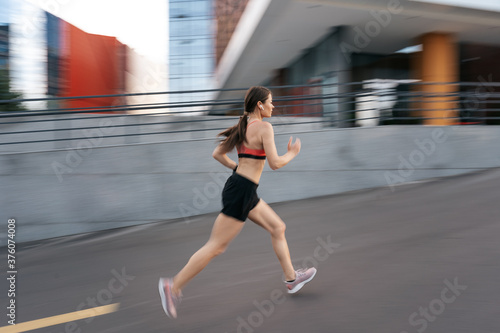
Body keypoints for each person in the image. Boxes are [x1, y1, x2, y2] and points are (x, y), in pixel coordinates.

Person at [159, 86, 317, 318]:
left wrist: (238, 168)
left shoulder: (243, 127)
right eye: (270, 102)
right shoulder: (264, 127)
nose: (274, 106)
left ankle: (291, 279)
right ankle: (172, 287)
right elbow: (274, 163)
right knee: (216, 247)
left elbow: (217, 154)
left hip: (243, 188)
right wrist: (293, 153)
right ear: (259, 105)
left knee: (278, 227)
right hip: (241, 191)